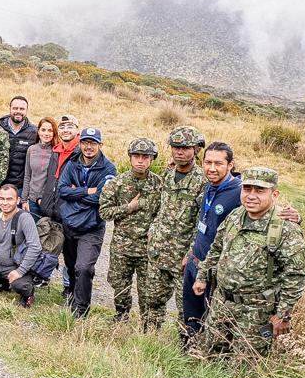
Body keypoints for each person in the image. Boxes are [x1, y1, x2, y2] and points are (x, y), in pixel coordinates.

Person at [190, 167, 305, 357]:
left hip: (255, 312)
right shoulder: (236, 216)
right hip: (221, 303)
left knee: (244, 367)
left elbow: (295, 275)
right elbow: (217, 248)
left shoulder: (285, 228)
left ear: (274, 194)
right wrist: (202, 276)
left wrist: (283, 315)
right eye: (247, 189)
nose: (251, 196)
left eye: (260, 190)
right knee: (211, 357)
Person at [142, 126, 207, 331]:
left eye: (185, 148)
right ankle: (149, 339)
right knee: (152, 299)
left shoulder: (202, 181)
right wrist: (153, 230)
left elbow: (202, 222)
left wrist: (191, 252)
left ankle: (186, 346)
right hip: (159, 250)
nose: (179, 151)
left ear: (196, 149)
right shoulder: (168, 174)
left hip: (183, 256)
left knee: (185, 306)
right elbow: (162, 207)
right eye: (175, 147)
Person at [99, 138, 165, 325]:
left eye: (145, 157)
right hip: (122, 246)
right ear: (130, 158)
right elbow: (104, 212)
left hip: (147, 248)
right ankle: (121, 317)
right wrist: (128, 207)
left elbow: (164, 212)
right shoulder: (117, 183)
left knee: (147, 290)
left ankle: (147, 324)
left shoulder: (159, 184)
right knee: (120, 285)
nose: (140, 160)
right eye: (136, 156)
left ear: (152, 159)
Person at [181, 142, 241, 342]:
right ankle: (187, 350)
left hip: (216, 270)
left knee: (213, 320)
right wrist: (190, 253)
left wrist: (293, 216)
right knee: (191, 314)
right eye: (207, 162)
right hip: (195, 262)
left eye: (218, 163)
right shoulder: (209, 186)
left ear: (230, 165)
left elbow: (266, 207)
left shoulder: (239, 192)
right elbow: (204, 223)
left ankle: (207, 360)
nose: (212, 168)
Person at [57, 127, 117, 318]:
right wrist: (87, 191)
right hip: (70, 224)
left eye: (93, 143)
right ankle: (73, 295)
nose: (88, 147)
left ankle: (81, 310)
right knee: (72, 265)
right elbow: (62, 190)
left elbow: (102, 198)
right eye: (85, 142)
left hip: (91, 227)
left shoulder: (109, 168)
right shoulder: (72, 163)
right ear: (80, 143)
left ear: (100, 145)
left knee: (84, 267)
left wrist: (76, 193)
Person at [20, 116, 59, 217]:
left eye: (50, 130)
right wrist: (24, 200)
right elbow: (27, 176)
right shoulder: (31, 150)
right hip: (32, 200)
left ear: (54, 133)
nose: (46, 133)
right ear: (38, 131)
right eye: (43, 130)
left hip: (49, 201)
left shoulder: (57, 151)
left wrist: (43, 198)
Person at [0, 95, 38, 191]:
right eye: (15, 108)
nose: (18, 111)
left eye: (22, 109)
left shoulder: (34, 132)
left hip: (20, 187)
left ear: (26, 111)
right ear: (10, 109)